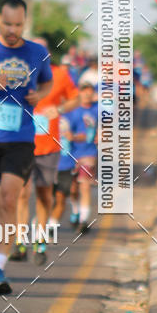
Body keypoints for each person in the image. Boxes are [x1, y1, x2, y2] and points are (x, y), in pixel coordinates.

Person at [0, 0, 52, 292]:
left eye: (19, 24)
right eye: (8, 24)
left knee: (10, 200)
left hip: (20, 139)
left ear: (24, 22)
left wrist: (40, 95)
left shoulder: (37, 52)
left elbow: (47, 82)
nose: (14, 30)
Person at [15, 38, 79, 263]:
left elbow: (75, 99)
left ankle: (39, 241)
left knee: (43, 195)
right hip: (21, 142)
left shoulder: (59, 75)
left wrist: (59, 108)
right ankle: (20, 242)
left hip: (49, 146)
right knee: (21, 195)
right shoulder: (18, 72)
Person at [67, 83, 99, 234]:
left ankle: (83, 220)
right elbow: (65, 131)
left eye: (90, 93)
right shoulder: (73, 111)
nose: (87, 96)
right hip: (72, 153)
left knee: (84, 185)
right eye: (84, 93)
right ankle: (75, 211)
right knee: (72, 189)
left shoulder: (97, 110)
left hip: (89, 153)